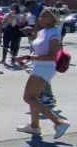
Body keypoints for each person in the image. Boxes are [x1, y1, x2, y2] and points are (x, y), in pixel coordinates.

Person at [15, 8, 71, 139]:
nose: (42, 18)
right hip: (38, 66)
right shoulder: (41, 32)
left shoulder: (54, 33)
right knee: (34, 98)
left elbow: (52, 56)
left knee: (28, 98)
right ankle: (34, 127)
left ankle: (59, 122)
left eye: (46, 16)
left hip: (45, 68)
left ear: (53, 18)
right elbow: (38, 52)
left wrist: (28, 57)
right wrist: (26, 59)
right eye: (41, 16)